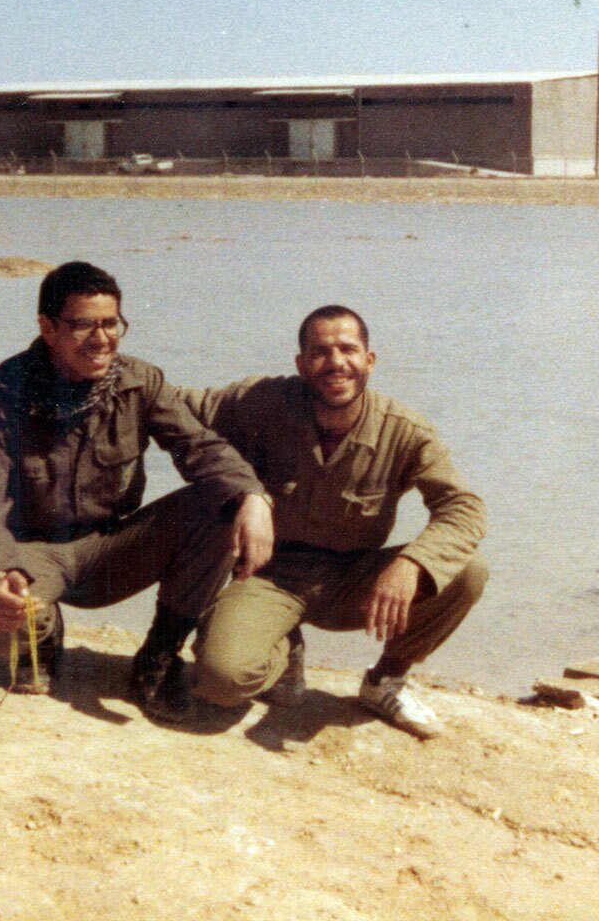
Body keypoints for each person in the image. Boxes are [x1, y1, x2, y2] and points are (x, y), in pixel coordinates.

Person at [0, 261, 274, 719]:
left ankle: (159, 655)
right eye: (84, 325)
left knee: (220, 503)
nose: (102, 339)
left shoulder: (141, 383)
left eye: (111, 323)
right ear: (48, 328)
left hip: (110, 549)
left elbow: (201, 448)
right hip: (32, 556)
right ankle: (43, 632)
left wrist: (252, 497)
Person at [183, 305, 487, 738]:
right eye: (320, 352)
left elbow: (464, 508)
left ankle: (386, 680)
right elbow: (176, 405)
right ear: (301, 364)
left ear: (370, 360)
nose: (336, 363)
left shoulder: (405, 430)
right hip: (271, 576)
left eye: (348, 349)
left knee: (467, 571)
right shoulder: (263, 401)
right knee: (221, 681)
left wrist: (412, 563)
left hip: (354, 579)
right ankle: (283, 650)